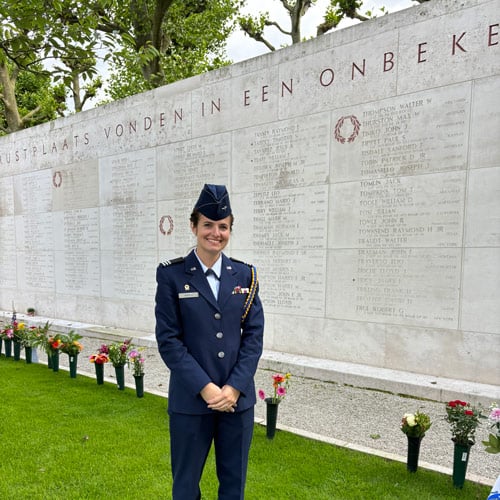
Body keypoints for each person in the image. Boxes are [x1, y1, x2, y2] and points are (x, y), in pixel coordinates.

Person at [155, 184, 264, 500]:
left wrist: (233, 388)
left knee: (233, 488)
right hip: (191, 401)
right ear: (193, 226)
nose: (215, 233)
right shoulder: (172, 276)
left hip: (237, 402)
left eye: (223, 226)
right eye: (208, 225)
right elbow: (169, 341)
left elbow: (254, 337)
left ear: (230, 229)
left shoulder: (245, 276)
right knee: (186, 488)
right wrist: (207, 388)